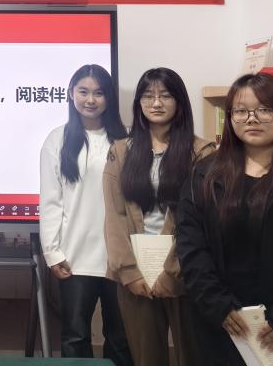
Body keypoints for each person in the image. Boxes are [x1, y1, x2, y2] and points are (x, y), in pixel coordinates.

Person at [176, 73, 273, 365]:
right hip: (223, 324)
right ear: (230, 117)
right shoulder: (205, 174)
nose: (252, 118)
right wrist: (218, 305)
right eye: (241, 110)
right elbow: (190, 246)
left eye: (265, 109)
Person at [104, 67, 214, 366]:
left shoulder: (201, 152)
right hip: (136, 275)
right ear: (138, 102)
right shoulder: (120, 151)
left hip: (184, 272)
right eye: (147, 96)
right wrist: (129, 272)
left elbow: (200, 223)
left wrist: (172, 273)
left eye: (165, 95)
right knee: (146, 357)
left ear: (179, 101)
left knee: (194, 355)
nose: (155, 103)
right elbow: (114, 216)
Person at [39, 64, 132, 365]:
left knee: (121, 337)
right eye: (83, 91)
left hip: (120, 257)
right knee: (75, 336)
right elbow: (51, 201)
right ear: (71, 93)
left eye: (98, 93)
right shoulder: (57, 140)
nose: (90, 100)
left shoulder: (127, 140)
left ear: (108, 98)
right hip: (74, 257)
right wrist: (53, 253)